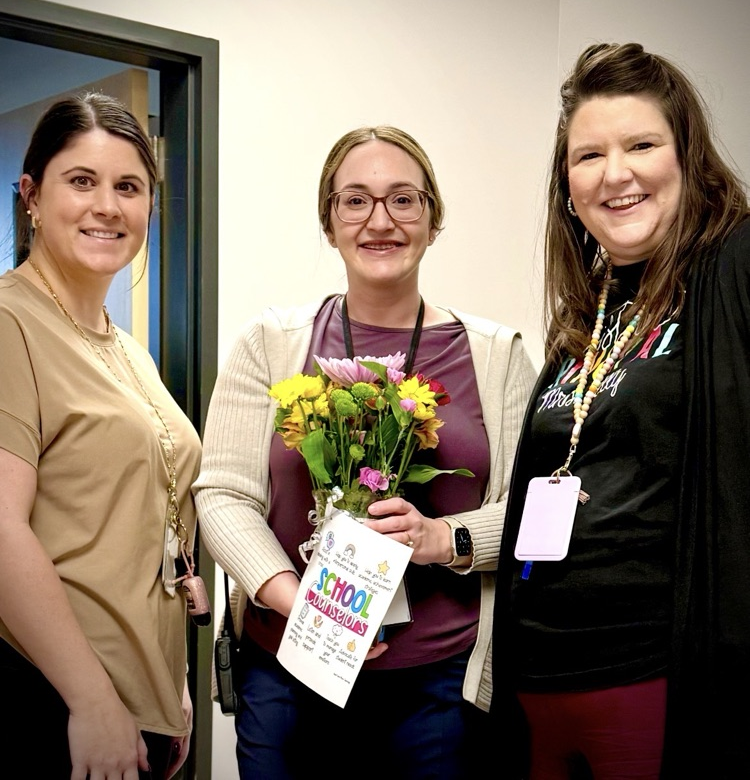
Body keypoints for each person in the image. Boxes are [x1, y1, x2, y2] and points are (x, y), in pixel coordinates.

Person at [193, 125, 537, 779]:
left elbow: (527, 512)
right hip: (289, 671)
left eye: (403, 199)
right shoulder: (270, 343)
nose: (380, 221)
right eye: (355, 200)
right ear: (329, 222)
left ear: (433, 219)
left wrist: (440, 537)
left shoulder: (497, 355)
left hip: (439, 689)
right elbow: (223, 494)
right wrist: (297, 600)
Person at [491, 42, 750, 779]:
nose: (615, 173)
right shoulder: (590, 308)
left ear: (687, 157)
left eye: (641, 145)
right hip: (540, 678)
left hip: (654, 680)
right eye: (589, 155)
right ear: (567, 185)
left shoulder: (733, 269)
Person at [0, 92, 203, 779]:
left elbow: (140, 521)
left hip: (139, 700)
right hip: (53, 698)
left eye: (129, 187)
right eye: (82, 181)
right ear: (32, 196)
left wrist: (168, 681)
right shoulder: (10, 323)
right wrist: (91, 700)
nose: (108, 206)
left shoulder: (128, 349)